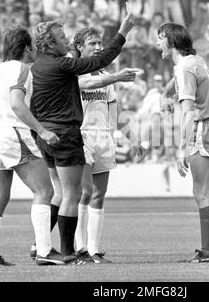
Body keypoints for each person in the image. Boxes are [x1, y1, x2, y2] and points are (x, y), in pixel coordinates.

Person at [29, 6, 135, 264]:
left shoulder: (37, 67)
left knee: (63, 194)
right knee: (73, 194)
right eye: (62, 38)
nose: (66, 41)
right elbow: (96, 66)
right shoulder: (64, 66)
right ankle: (69, 252)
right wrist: (122, 33)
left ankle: (45, 247)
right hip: (68, 134)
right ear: (51, 43)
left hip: (48, 135)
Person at [0, 26, 65, 267]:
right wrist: (43, 131)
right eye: (33, 47)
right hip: (12, 132)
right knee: (45, 191)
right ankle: (44, 251)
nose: (36, 50)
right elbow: (17, 104)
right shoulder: (22, 69)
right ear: (26, 48)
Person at [156, 22, 209, 262]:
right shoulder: (195, 61)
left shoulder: (184, 68)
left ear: (172, 42)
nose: (157, 43)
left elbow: (187, 112)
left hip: (202, 128)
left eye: (160, 38)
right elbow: (184, 83)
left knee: (202, 191)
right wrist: (166, 94)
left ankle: (208, 252)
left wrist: (180, 149)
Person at [72, 27, 145, 263]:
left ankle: (94, 250)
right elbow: (86, 86)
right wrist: (115, 76)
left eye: (99, 42)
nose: (98, 46)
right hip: (81, 135)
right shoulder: (73, 72)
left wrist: (133, 139)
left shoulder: (106, 77)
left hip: (103, 136)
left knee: (99, 194)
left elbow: (116, 112)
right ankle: (80, 248)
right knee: (84, 192)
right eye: (92, 43)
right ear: (79, 46)